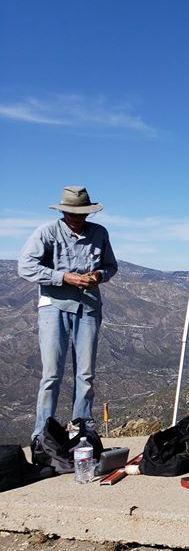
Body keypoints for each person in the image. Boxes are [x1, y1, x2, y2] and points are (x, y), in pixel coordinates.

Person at [18, 186, 118, 440]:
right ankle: (42, 433)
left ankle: (81, 428)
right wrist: (63, 278)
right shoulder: (47, 232)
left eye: (83, 214)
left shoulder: (99, 233)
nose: (78, 219)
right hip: (54, 304)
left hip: (89, 306)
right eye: (73, 214)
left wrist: (99, 275)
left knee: (85, 373)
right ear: (63, 211)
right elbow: (26, 266)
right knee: (52, 373)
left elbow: (110, 266)